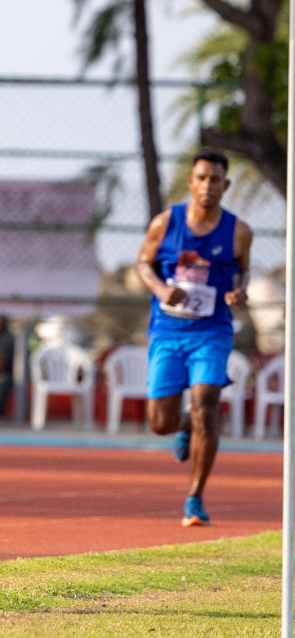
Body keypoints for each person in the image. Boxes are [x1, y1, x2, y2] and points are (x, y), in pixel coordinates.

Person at [134, 149, 251, 527]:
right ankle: (183, 427)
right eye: (201, 178)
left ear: (225, 185)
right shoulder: (166, 223)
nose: (207, 186)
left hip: (211, 331)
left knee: (206, 407)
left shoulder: (238, 231)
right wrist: (159, 288)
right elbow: (142, 263)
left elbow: (242, 273)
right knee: (160, 422)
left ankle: (194, 498)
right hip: (168, 331)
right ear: (191, 182)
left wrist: (240, 291)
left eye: (215, 179)